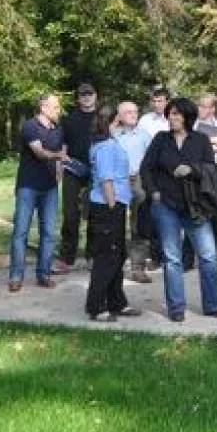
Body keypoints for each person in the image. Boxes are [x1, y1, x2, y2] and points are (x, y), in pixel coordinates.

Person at [141, 97, 217, 322]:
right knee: (172, 258)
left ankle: (212, 305)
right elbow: (146, 168)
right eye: (170, 114)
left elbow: (211, 169)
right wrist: (153, 192)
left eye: (177, 114)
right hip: (166, 204)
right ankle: (176, 307)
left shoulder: (200, 140)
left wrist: (191, 169)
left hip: (195, 206)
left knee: (208, 256)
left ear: (188, 117)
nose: (172, 117)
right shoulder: (161, 139)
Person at [84, 104, 142, 322]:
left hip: (116, 204)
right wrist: (112, 204)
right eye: (118, 119)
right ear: (113, 122)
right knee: (107, 257)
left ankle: (117, 302)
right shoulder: (106, 147)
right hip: (108, 207)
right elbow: (106, 179)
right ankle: (96, 307)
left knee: (117, 255)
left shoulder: (108, 142)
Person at [8, 94, 66, 292]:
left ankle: (44, 274)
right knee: (21, 232)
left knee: (49, 233)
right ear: (44, 107)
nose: (59, 110)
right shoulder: (30, 126)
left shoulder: (58, 129)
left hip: (50, 187)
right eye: (56, 107)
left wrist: (59, 174)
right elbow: (40, 153)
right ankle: (16, 276)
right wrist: (59, 155)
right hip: (28, 186)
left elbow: (60, 157)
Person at [55, 83, 97, 275]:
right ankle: (66, 258)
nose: (87, 97)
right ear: (78, 98)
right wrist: (60, 169)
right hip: (72, 169)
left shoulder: (103, 118)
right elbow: (63, 147)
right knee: (70, 215)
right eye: (83, 95)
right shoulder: (69, 119)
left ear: (96, 96)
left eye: (90, 94)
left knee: (95, 214)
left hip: (96, 170)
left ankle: (92, 256)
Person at [113, 101, 153, 283]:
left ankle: (138, 267)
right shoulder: (112, 134)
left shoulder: (145, 135)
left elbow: (152, 160)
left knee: (140, 225)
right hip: (117, 181)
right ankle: (115, 265)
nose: (133, 115)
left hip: (138, 181)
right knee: (115, 224)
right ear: (119, 115)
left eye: (135, 112)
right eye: (128, 112)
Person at [195, 93, 217, 272]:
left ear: (213, 109)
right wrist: (211, 141)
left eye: (204, 106)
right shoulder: (192, 124)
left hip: (214, 170)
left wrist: (209, 141)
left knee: (215, 213)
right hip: (195, 170)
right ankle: (189, 256)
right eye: (199, 105)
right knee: (192, 210)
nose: (200, 109)